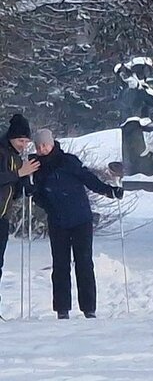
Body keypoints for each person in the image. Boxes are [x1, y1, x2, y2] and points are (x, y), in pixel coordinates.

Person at [29, 129, 123, 319]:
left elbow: (88, 179)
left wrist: (108, 191)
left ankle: (89, 308)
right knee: (60, 265)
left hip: (81, 219)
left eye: (44, 145)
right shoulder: (36, 167)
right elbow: (37, 194)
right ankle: (62, 310)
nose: (42, 149)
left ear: (52, 143)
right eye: (38, 146)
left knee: (84, 263)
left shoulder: (68, 161)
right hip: (57, 222)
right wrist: (41, 200)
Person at [0, 115, 39, 308]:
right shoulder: (2, 152)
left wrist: (24, 186)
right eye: (20, 141)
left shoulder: (16, 156)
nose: (24, 145)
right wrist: (19, 174)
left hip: (3, 215)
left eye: (26, 141)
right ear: (11, 138)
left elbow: (11, 185)